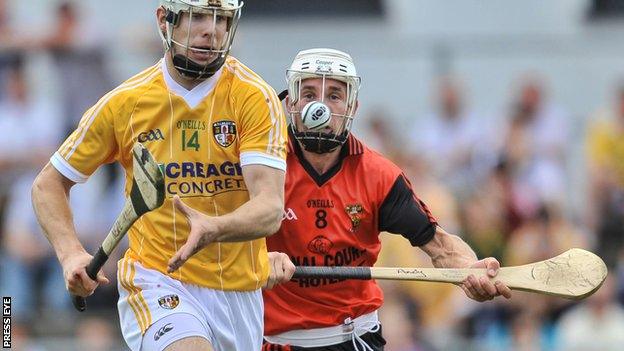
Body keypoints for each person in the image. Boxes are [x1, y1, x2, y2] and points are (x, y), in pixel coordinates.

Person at [31, 1, 287, 350]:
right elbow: (48, 184)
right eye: (198, 16)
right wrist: (70, 253)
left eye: (222, 20)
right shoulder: (125, 102)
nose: (211, 30)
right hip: (157, 281)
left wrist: (214, 228)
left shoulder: (255, 98)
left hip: (238, 293)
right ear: (165, 20)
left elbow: (270, 207)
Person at [261, 48, 512, 351]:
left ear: (353, 107)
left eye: (335, 96)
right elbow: (224, 243)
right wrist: (255, 257)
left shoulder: (378, 175)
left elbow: (440, 246)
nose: (321, 108)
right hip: (273, 341)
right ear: (290, 103)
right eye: (310, 94)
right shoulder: (262, 166)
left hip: (353, 340)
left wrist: (469, 270)